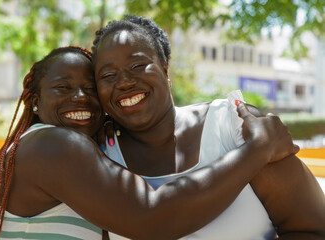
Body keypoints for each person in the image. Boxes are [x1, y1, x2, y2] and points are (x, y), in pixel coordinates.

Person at [0, 46, 298, 240]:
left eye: (92, 88)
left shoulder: (64, 148)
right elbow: (153, 216)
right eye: (63, 88)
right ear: (35, 102)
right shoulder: (52, 146)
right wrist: (258, 150)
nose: (81, 97)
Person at [91, 15, 325, 239]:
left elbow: (313, 229)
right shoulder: (98, 157)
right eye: (108, 74)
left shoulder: (236, 127)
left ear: (164, 68)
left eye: (138, 65)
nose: (124, 82)